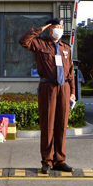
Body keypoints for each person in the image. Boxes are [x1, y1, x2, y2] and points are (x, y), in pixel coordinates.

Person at [19, 18, 75, 174]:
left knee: (62, 125)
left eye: (61, 27)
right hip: (47, 87)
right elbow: (23, 41)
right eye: (56, 27)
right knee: (48, 125)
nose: (59, 30)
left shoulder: (66, 47)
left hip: (64, 88)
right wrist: (39, 29)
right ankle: (47, 161)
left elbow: (71, 72)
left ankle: (60, 160)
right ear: (50, 29)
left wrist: (72, 92)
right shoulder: (40, 44)